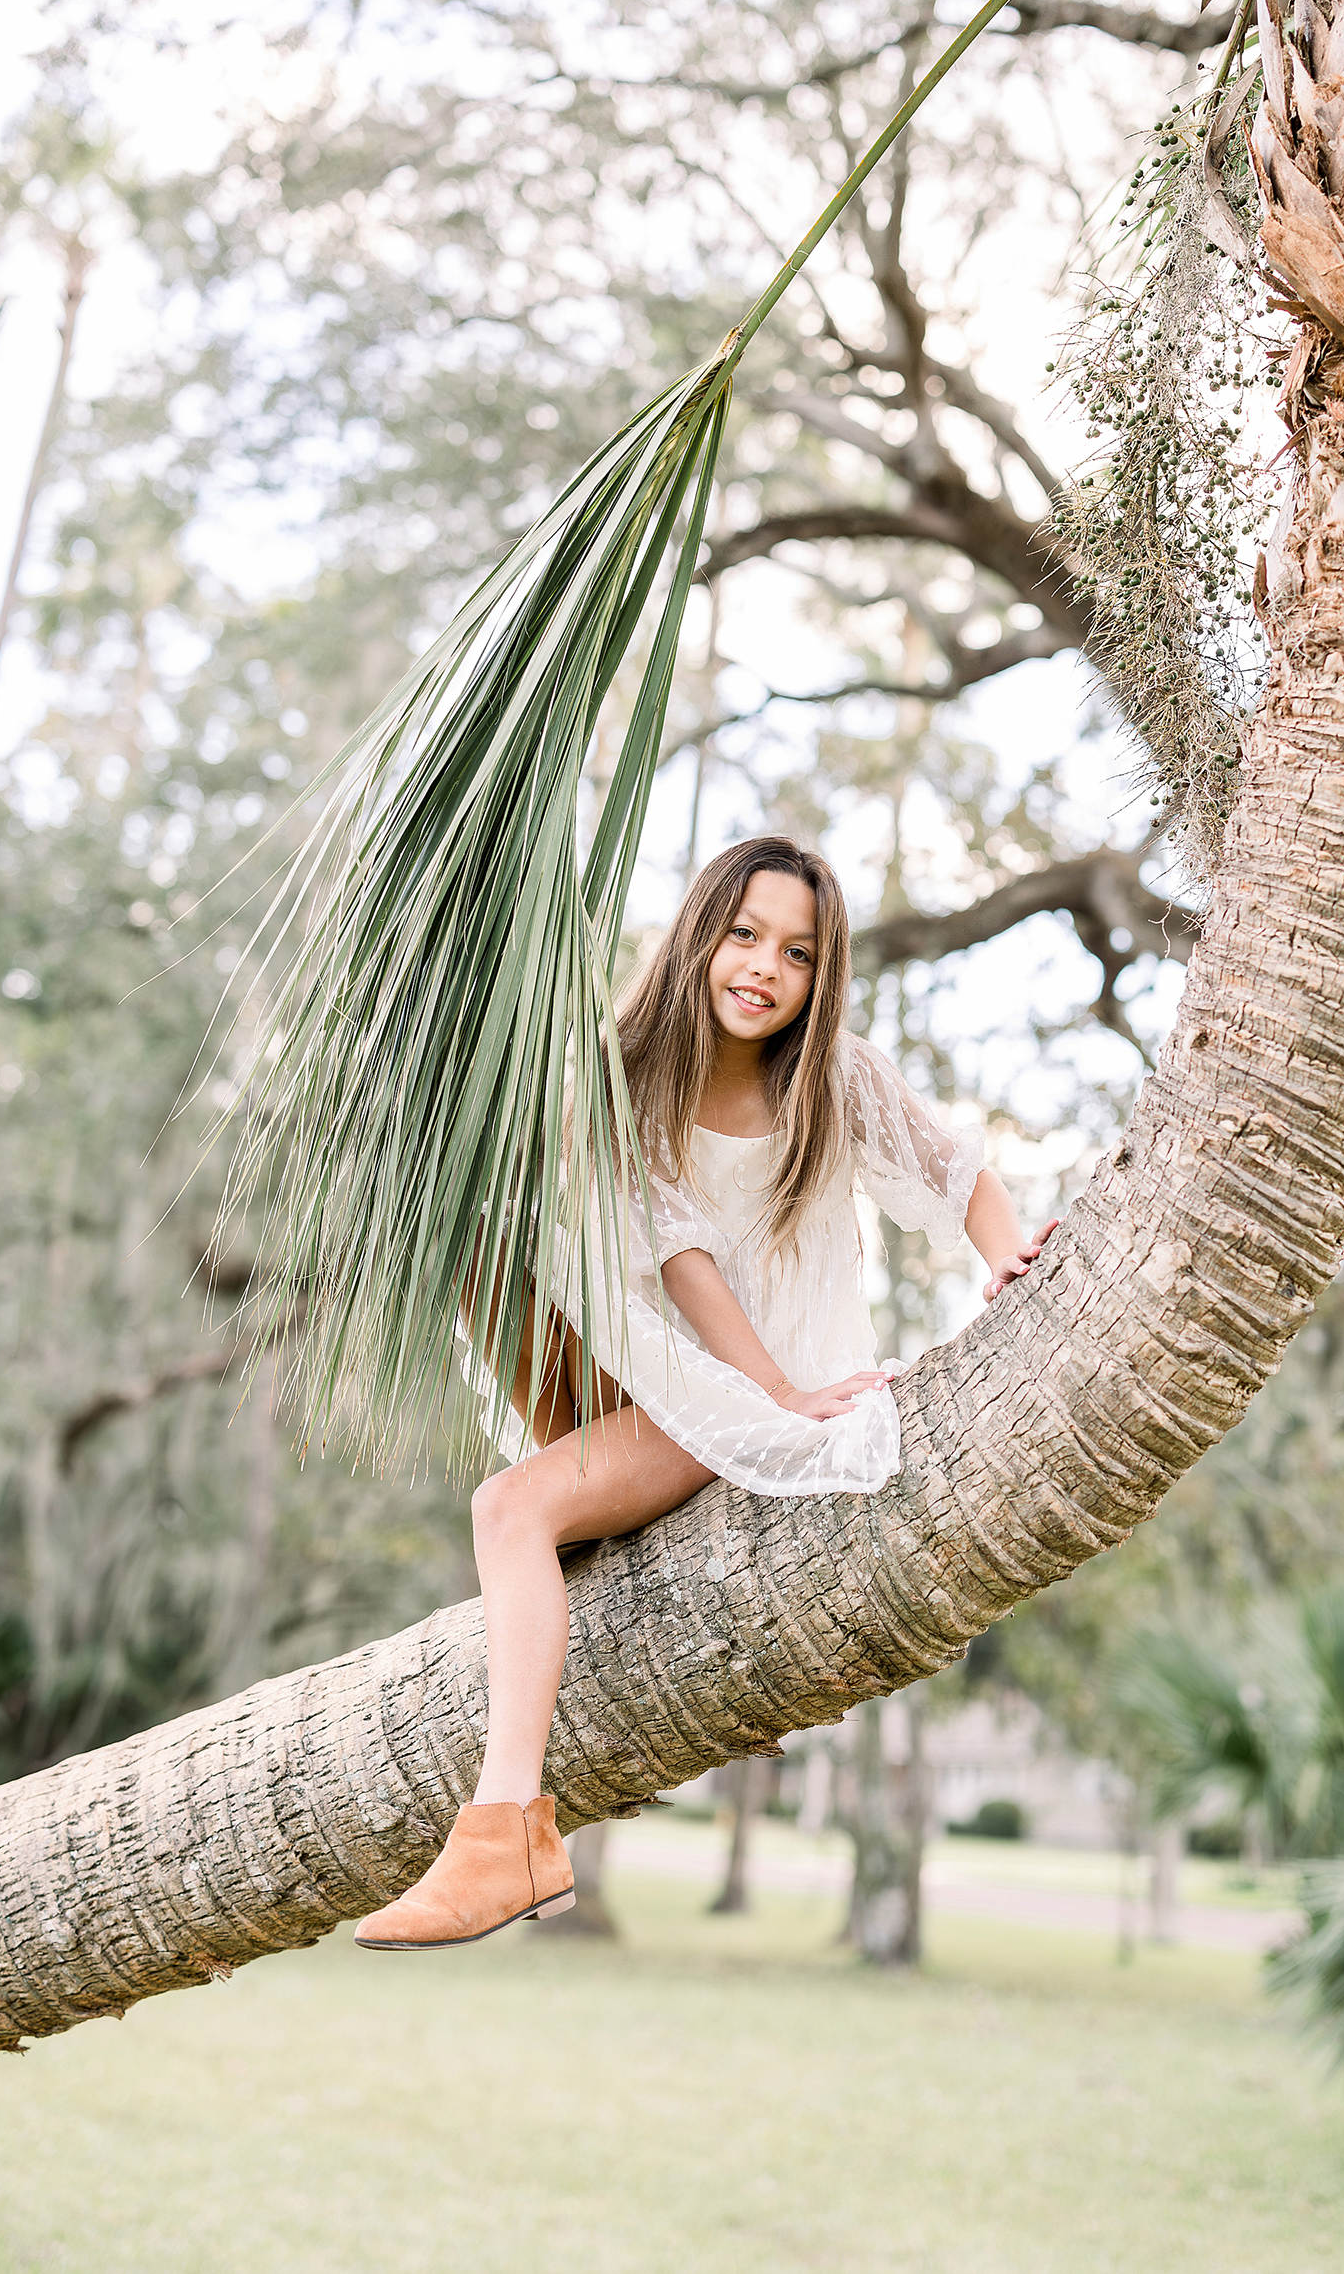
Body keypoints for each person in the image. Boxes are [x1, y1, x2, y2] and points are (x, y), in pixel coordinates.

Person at [354, 835, 1057, 1948]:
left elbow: (955, 1173)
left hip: (743, 1384)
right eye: (744, 934)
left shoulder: (838, 1077)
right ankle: (589, 1506)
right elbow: (667, 1259)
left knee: (506, 1506)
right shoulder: (627, 1076)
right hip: (655, 1370)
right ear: (699, 934)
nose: (764, 967)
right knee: (474, 1231)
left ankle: (506, 1833)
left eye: (798, 953)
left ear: (820, 981)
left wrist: (1000, 1258)